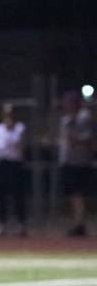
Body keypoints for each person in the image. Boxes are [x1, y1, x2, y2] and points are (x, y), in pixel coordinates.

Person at [0, 103, 27, 238]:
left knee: (17, 195)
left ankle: (21, 225)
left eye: (11, 114)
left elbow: (15, 143)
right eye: (6, 114)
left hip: (14, 165)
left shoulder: (20, 128)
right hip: (0, 165)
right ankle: (1, 225)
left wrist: (4, 144)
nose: (9, 117)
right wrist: (3, 148)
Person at [58, 91, 92, 237]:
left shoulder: (84, 117)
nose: (66, 105)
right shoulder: (65, 119)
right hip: (69, 160)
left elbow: (88, 139)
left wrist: (75, 140)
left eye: (69, 102)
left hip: (80, 161)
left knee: (79, 194)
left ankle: (80, 224)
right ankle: (78, 223)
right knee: (74, 194)